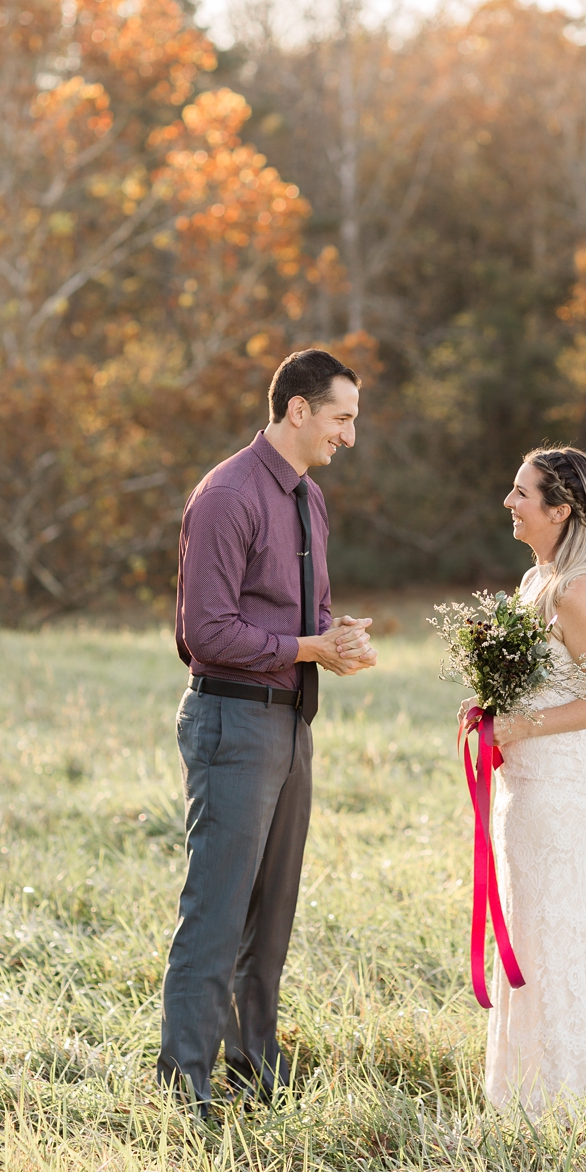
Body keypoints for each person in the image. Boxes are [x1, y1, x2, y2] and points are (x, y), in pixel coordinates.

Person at [157, 348, 378, 1119]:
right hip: (230, 720)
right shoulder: (228, 494)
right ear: (298, 409)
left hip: (291, 722)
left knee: (271, 910)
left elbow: (295, 615)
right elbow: (207, 630)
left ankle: (256, 1068)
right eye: (341, 418)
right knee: (216, 910)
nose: (348, 435)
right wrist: (306, 648)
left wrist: (333, 637)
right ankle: (183, 1086)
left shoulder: (308, 499)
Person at [478, 447, 586, 1113]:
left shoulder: (579, 590)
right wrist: (491, 710)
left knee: (547, 934)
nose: (510, 503)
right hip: (523, 782)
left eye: (522, 494)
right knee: (524, 933)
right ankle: (524, 1087)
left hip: (560, 786)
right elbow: (533, 684)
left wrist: (522, 728)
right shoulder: (534, 580)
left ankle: (559, 1094)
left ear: (560, 509)